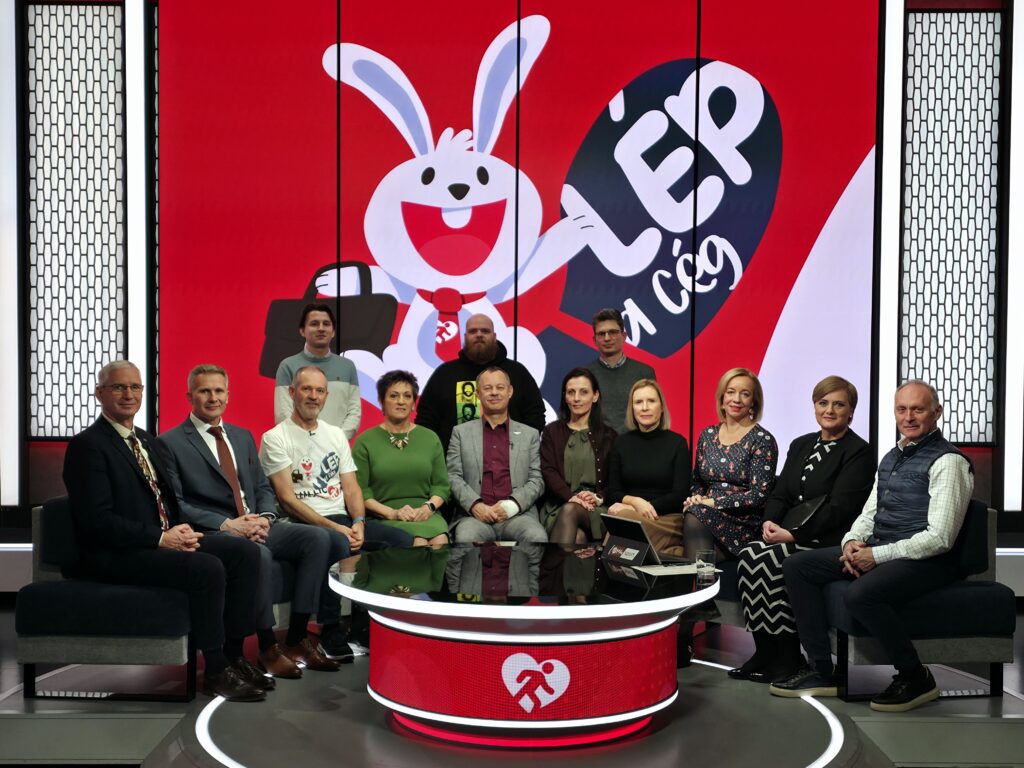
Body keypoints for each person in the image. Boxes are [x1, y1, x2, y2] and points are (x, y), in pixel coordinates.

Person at [62, 361, 265, 702]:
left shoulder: (146, 440)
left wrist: (179, 529)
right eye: (118, 387)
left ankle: (234, 655)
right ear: (99, 394)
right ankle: (215, 669)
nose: (129, 394)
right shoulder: (88, 446)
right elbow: (96, 521)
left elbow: (166, 499)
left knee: (244, 552)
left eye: (135, 387)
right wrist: (160, 538)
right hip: (115, 552)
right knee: (207, 568)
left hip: (157, 541)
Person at [770, 381, 974, 713]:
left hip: (929, 560)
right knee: (798, 566)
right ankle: (823, 670)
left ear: (936, 412)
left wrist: (875, 556)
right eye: (902, 409)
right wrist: (851, 542)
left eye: (918, 409)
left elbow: (940, 538)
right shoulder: (892, 456)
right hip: (885, 548)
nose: (908, 417)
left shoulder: (948, 462)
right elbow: (870, 513)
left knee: (861, 594)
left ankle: (915, 676)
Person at [159, 364, 348, 678]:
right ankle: (267, 646)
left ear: (228, 395)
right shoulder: (171, 442)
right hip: (217, 531)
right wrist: (228, 524)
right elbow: (177, 504)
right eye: (204, 391)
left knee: (318, 538)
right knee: (257, 554)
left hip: (256, 523)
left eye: (219, 391)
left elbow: (262, 487)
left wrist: (265, 518)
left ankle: (297, 638)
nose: (213, 397)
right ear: (190, 396)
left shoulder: (242, 436)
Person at [729, 376, 875, 684]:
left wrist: (794, 535)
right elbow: (781, 492)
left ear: (851, 411)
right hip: (788, 533)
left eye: (839, 404)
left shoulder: (859, 452)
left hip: (829, 539)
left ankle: (789, 658)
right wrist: (770, 521)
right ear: (814, 406)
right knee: (750, 554)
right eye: (823, 403)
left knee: (771, 559)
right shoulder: (801, 445)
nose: (829, 410)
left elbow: (840, 508)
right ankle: (764, 652)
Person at [260, 367, 413, 655]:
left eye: (319, 391)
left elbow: (352, 488)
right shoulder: (275, 437)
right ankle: (330, 628)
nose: (313, 396)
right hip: (303, 521)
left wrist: (359, 522)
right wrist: (336, 528)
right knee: (338, 542)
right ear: (292, 393)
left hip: (342, 517)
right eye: (306, 389)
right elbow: (287, 499)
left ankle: (366, 624)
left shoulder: (335, 435)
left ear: (326, 396)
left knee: (401, 541)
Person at [446, 367, 547, 546]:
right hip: (473, 516)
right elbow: (452, 476)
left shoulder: (529, 434)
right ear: (477, 394)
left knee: (536, 537)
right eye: (487, 388)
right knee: (466, 537)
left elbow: (537, 480)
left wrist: (512, 506)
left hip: (518, 515)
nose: (494, 393)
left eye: (500, 387)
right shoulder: (460, 433)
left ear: (510, 391)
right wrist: (475, 506)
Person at [683, 368, 778, 559]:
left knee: (695, 516)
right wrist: (697, 497)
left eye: (745, 394)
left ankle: (699, 576)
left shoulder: (762, 440)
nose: (737, 399)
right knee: (694, 513)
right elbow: (697, 481)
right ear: (722, 398)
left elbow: (758, 495)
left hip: (742, 520)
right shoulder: (707, 435)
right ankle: (701, 574)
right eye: (731, 392)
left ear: (753, 402)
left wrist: (712, 503)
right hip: (703, 511)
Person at [417, 313, 546, 451]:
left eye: (485, 331)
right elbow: (426, 420)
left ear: (494, 336)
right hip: (454, 461)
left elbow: (535, 415)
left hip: (509, 460)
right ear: (465, 337)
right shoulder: (444, 374)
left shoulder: (517, 372)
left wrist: (521, 449)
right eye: (473, 331)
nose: (479, 335)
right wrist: (437, 454)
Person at [352, 370, 450, 546]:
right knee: (418, 542)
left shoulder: (430, 438)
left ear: (413, 403)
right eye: (394, 396)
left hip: (425, 513)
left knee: (440, 540)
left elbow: (441, 486)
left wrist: (428, 508)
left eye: (407, 396)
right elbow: (361, 493)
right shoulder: (364, 441)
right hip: (384, 516)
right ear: (381, 401)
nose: (401, 401)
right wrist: (392, 513)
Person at [604, 379, 691, 555]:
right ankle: (667, 551)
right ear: (632, 409)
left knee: (623, 521)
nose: (645, 407)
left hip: (666, 519)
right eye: (638, 402)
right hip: (630, 514)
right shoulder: (621, 443)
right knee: (622, 519)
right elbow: (613, 491)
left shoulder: (678, 443)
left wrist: (642, 507)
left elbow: (680, 494)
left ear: (661, 407)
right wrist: (635, 502)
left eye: (651, 401)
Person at [539, 368, 617, 545]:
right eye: (571, 392)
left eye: (583, 392)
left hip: (596, 508)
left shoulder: (609, 436)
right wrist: (570, 496)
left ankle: (552, 564)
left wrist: (599, 497)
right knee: (577, 536)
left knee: (571, 511)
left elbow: (615, 480)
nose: (576, 398)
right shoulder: (552, 432)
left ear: (595, 396)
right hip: (559, 505)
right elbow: (548, 471)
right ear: (565, 397)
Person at [274, 303, 361, 439]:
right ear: (302, 331)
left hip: (336, 447)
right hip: (299, 446)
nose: (321, 328)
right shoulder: (288, 366)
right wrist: (308, 441)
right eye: (314, 324)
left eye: (326, 324)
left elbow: (354, 412)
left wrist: (336, 441)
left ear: (333, 331)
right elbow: (283, 414)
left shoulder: (347, 366)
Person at [585, 308, 656, 434]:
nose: (607, 338)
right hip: (597, 443)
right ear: (594, 340)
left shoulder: (644, 372)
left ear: (624, 336)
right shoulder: (585, 375)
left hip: (636, 443)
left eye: (613, 332)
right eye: (601, 334)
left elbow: (653, 415)